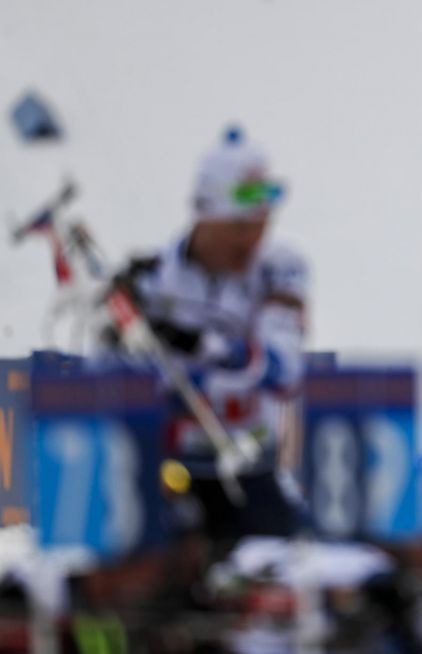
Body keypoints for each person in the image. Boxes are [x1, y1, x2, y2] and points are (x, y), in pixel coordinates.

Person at [105, 127, 309, 544]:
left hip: (251, 467)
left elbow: (285, 370)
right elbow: (113, 381)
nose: (252, 238)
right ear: (204, 214)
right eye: (238, 226)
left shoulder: (279, 268)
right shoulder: (151, 281)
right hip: (171, 469)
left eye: (261, 223)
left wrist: (202, 348)